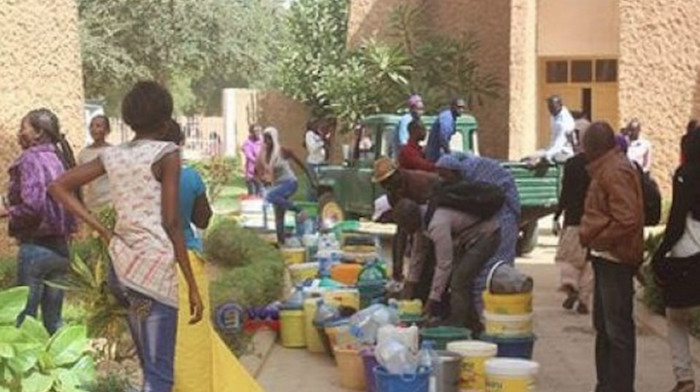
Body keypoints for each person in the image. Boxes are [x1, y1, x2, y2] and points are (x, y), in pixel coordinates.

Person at [49, 81, 204, 392]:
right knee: (160, 375)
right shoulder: (167, 153)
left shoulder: (113, 156)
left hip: (124, 271)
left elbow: (58, 186)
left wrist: (103, 229)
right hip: (155, 273)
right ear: (164, 123)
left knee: (149, 362)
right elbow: (172, 222)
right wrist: (191, 284)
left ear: (129, 121)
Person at [161, 121, 263, 392]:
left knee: (158, 341)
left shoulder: (140, 177)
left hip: (147, 265)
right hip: (187, 265)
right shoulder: (188, 177)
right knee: (193, 337)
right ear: (179, 144)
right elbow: (203, 220)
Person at [579, 121, 644, 392]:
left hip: (615, 258)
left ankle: (619, 387)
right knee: (605, 327)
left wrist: (600, 239)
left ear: (593, 146)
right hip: (606, 257)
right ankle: (605, 384)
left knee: (617, 330)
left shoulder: (614, 170)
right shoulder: (606, 167)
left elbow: (627, 217)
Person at [0, 108, 77, 334]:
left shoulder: (30, 159)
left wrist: (7, 211)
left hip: (36, 247)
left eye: (23, 128)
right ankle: (62, 367)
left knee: (25, 319)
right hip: (61, 249)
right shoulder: (59, 158)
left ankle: (24, 370)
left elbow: (33, 206)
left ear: (38, 133)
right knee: (54, 320)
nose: (19, 133)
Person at [393, 196, 500, 332]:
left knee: (458, 281)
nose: (405, 231)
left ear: (411, 220)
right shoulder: (422, 218)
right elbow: (417, 255)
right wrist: (409, 285)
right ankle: (474, 326)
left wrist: (430, 304)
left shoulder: (436, 224)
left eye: (405, 226)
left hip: (485, 235)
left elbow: (444, 265)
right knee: (460, 281)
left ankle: (456, 326)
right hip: (468, 238)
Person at [651, 126, 700, 392]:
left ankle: (685, 378)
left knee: (676, 317)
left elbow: (677, 221)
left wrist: (658, 255)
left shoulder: (686, 175)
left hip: (687, 258)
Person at [372, 157, 441, 285]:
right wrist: (397, 268)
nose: (386, 187)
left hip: (439, 220)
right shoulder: (393, 193)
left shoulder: (419, 184)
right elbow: (401, 230)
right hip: (423, 225)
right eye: (383, 184)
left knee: (432, 264)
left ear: (397, 174)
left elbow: (429, 228)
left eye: (387, 181)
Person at [553, 119, 593, 315]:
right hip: (594, 220)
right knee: (589, 261)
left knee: (571, 259)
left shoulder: (572, 164)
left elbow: (566, 192)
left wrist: (558, 215)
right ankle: (584, 297)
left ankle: (572, 288)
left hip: (574, 219)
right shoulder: (597, 163)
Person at [256, 127, 313, 245]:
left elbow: (300, 163)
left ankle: (300, 210)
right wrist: (262, 179)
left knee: (270, 196)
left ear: (274, 139)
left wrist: (311, 179)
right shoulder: (265, 154)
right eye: (265, 139)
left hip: (290, 183)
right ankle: (281, 243)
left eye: (269, 139)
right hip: (278, 185)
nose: (267, 142)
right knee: (279, 214)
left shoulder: (282, 151)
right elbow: (259, 170)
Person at [77, 115, 113, 212]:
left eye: (98, 126)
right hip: (91, 204)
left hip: (110, 203)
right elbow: (79, 181)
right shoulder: (83, 154)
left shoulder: (113, 152)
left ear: (107, 130)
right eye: (91, 126)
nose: (93, 129)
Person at [530, 95, 576, 164]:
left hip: (564, 152)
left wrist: (547, 155)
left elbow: (559, 144)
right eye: (549, 107)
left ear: (560, 105)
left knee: (538, 160)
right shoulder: (555, 115)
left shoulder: (564, 122)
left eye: (552, 107)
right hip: (553, 149)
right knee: (529, 158)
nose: (550, 109)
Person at [304, 119, 328, 201]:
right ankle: (311, 202)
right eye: (315, 124)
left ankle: (319, 200)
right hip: (313, 163)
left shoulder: (317, 135)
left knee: (321, 184)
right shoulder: (309, 135)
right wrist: (322, 142)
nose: (317, 125)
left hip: (321, 162)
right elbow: (313, 148)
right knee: (313, 184)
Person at [242, 124, 263, 196]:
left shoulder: (262, 142)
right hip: (251, 174)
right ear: (251, 132)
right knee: (252, 194)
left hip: (261, 173)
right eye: (256, 131)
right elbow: (249, 155)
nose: (258, 133)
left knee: (261, 194)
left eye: (259, 131)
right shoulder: (247, 143)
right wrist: (258, 161)